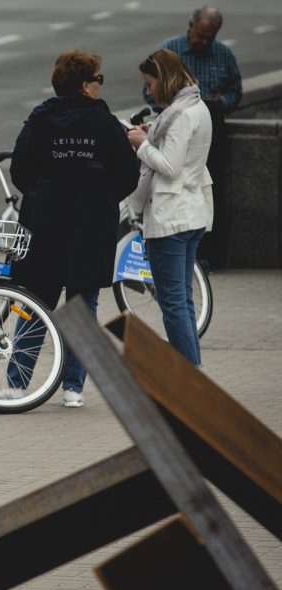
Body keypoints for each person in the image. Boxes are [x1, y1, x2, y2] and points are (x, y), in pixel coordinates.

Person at [1, 49, 139, 408]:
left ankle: (18, 384)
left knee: (35, 301)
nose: (100, 86)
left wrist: (42, 195)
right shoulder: (104, 123)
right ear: (84, 85)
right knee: (84, 306)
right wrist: (102, 196)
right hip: (90, 224)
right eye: (98, 79)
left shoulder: (40, 119)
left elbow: (19, 170)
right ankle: (73, 388)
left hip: (45, 222)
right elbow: (128, 173)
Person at [128, 49, 213, 367]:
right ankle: (194, 370)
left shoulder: (180, 115)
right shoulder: (196, 106)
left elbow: (169, 165)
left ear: (163, 79)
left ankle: (190, 377)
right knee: (183, 302)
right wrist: (154, 137)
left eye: (149, 83)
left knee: (172, 303)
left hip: (171, 217)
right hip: (192, 214)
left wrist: (142, 145)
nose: (147, 91)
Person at [144, 6, 241, 269]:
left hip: (210, 120)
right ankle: (189, 253)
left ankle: (207, 253)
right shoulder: (170, 50)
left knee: (209, 184)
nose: (204, 41)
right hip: (173, 118)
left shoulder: (222, 53)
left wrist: (221, 102)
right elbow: (149, 91)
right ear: (191, 25)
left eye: (210, 36)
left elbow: (236, 91)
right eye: (200, 35)